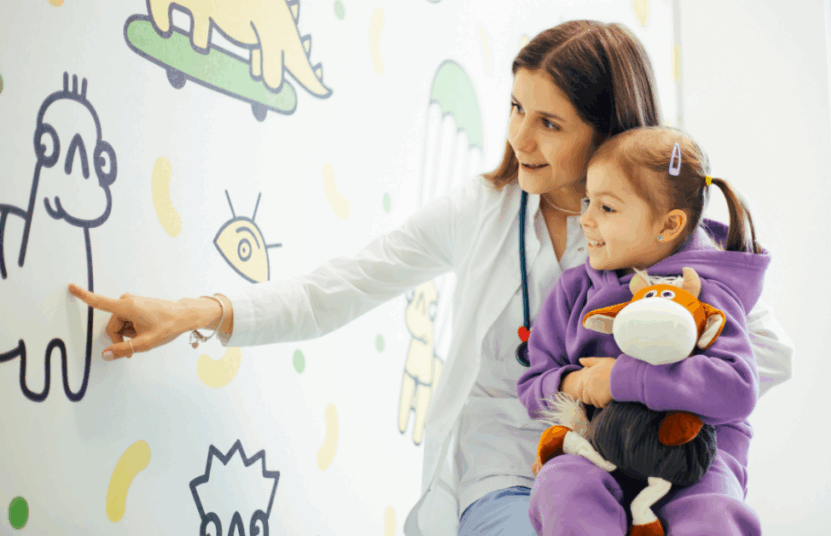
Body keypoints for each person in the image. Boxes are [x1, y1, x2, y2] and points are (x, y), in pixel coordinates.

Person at [68, 20, 793, 536]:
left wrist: (633, 374)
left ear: (606, 133)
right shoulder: (483, 210)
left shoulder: (666, 235)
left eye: (550, 123)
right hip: (506, 473)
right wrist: (199, 311)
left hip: (637, 470)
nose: (519, 137)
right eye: (516, 108)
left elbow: (768, 354)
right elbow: (344, 285)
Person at [519, 126, 768, 535]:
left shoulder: (708, 292)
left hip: (695, 457)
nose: (585, 219)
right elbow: (533, 383)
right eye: (588, 202)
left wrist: (622, 380)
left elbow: (737, 388)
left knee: (713, 514)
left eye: (607, 208)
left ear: (668, 225)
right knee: (562, 486)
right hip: (599, 448)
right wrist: (578, 383)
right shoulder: (573, 291)